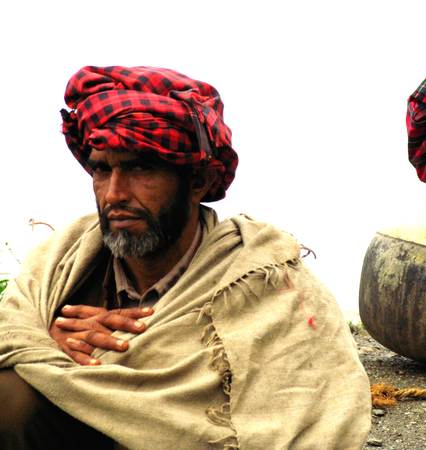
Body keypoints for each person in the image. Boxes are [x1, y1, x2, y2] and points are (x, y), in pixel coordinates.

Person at [0, 66, 371, 450]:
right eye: (101, 169)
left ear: (198, 181)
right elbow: (13, 334)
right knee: (10, 394)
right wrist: (44, 347)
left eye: (140, 168)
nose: (113, 194)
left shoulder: (265, 281)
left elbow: (313, 415)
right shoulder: (60, 266)